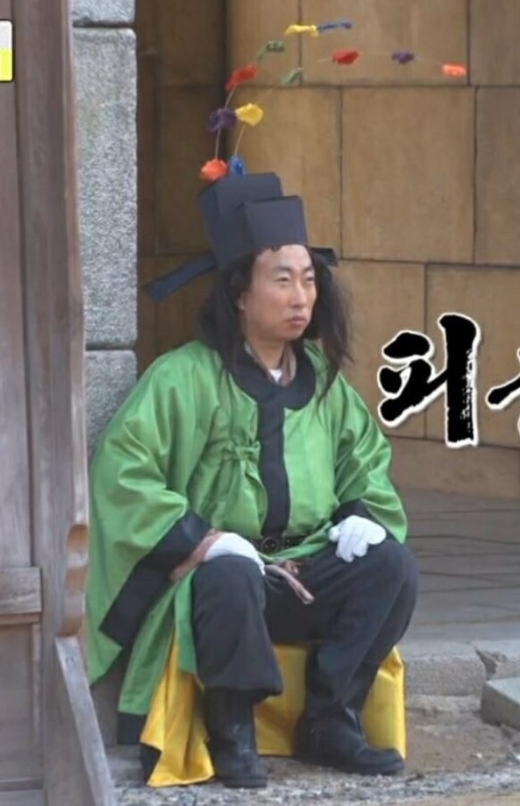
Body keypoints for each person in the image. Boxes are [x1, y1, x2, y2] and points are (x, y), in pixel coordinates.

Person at [85, 172, 418, 790]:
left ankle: (331, 719)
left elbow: (365, 461)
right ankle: (231, 730)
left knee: (390, 566)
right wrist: (205, 541)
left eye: (309, 280)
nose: (301, 298)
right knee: (232, 575)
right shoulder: (183, 377)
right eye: (282, 280)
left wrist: (359, 518)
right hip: (224, 578)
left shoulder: (322, 380)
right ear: (241, 293)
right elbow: (122, 470)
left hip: (307, 566)